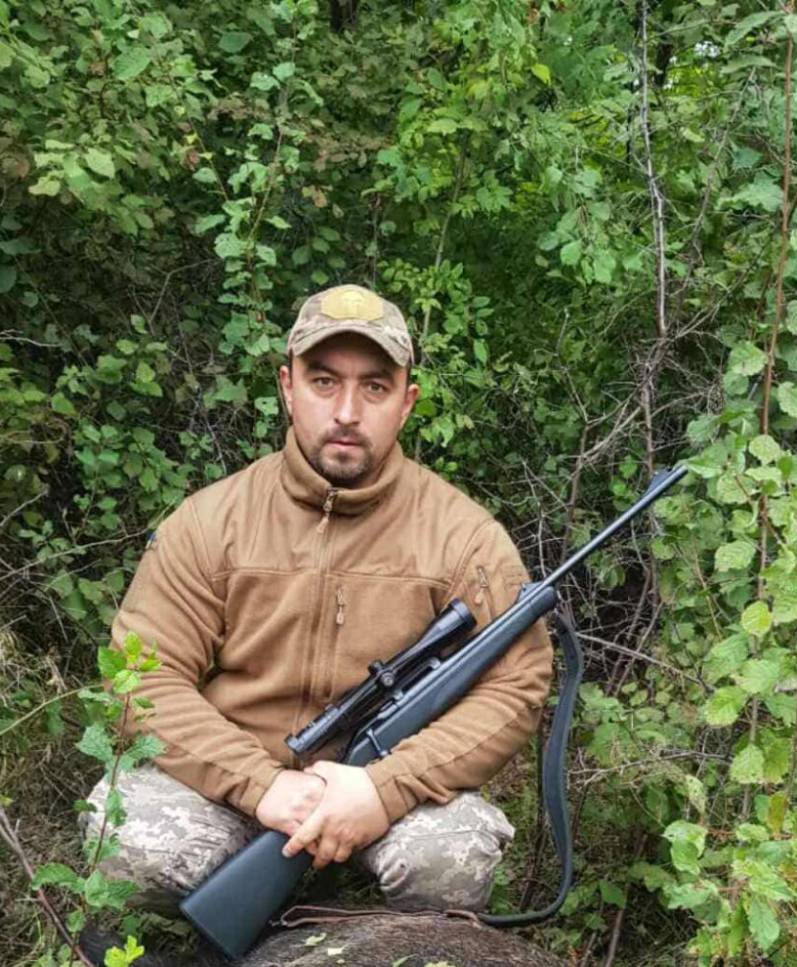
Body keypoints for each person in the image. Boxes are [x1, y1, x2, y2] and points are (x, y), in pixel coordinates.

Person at [83, 284, 553, 915]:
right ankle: (163, 965)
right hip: (234, 787)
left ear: (407, 403)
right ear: (288, 387)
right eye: (324, 382)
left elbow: (515, 686)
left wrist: (385, 788)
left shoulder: (465, 538)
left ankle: (381, 958)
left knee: (450, 856)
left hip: (381, 794)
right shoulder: (209, 523)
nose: (347, 412)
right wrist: (261, 785)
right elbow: (142, 675)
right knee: (130, 839)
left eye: (375, 388)